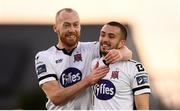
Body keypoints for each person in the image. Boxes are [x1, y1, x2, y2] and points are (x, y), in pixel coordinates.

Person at [34, 8, 132, 110]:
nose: (72, 30)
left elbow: (128, 53)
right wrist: (88, 80)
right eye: (66, 25)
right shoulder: (44, 56)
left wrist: (119, 53)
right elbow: (56, 97)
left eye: (75, 25)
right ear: (55, 28)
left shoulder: (91, 49)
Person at [92, 21, 151, 110]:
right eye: (102, 35)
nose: (105, 39)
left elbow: (143, 108)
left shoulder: (135, 69)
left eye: (111, 36)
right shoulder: (93, 64)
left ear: (121, 43)